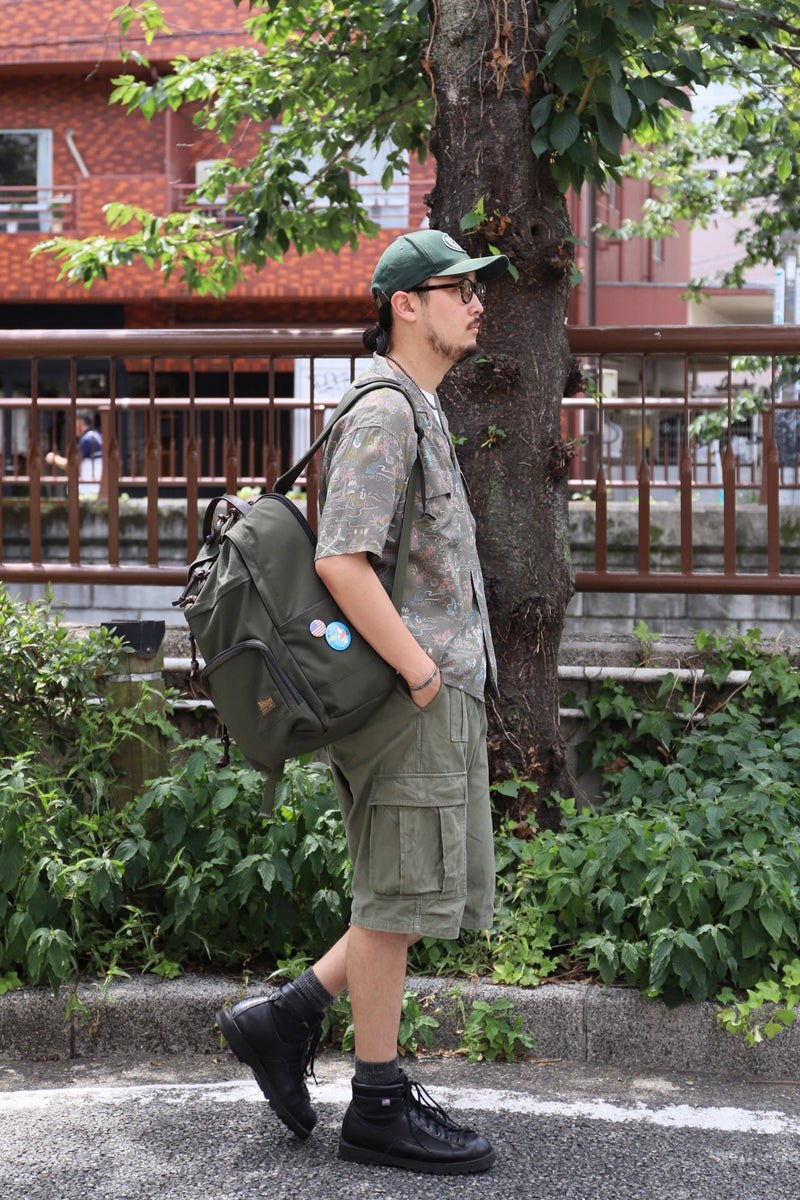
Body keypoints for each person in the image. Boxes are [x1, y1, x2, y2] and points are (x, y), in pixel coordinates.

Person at [216, 229, 509, 1174]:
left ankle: (286, 1017)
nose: (476, 302)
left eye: (475, 288)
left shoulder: (417, 407)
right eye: (456, 288)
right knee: (394, 896)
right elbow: (342, 557)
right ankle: (377, 1104)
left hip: (432, 688)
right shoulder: (387, 411)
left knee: (408, 892)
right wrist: (422, 673)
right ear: (405, 304)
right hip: (407, 694)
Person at [45, 409, 102, 496]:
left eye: (73, 422)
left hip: (89, 491)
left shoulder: (88, 440)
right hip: (96, 488)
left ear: (80, 422)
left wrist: (53, 458)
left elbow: (71, 465)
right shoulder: (97, 436)